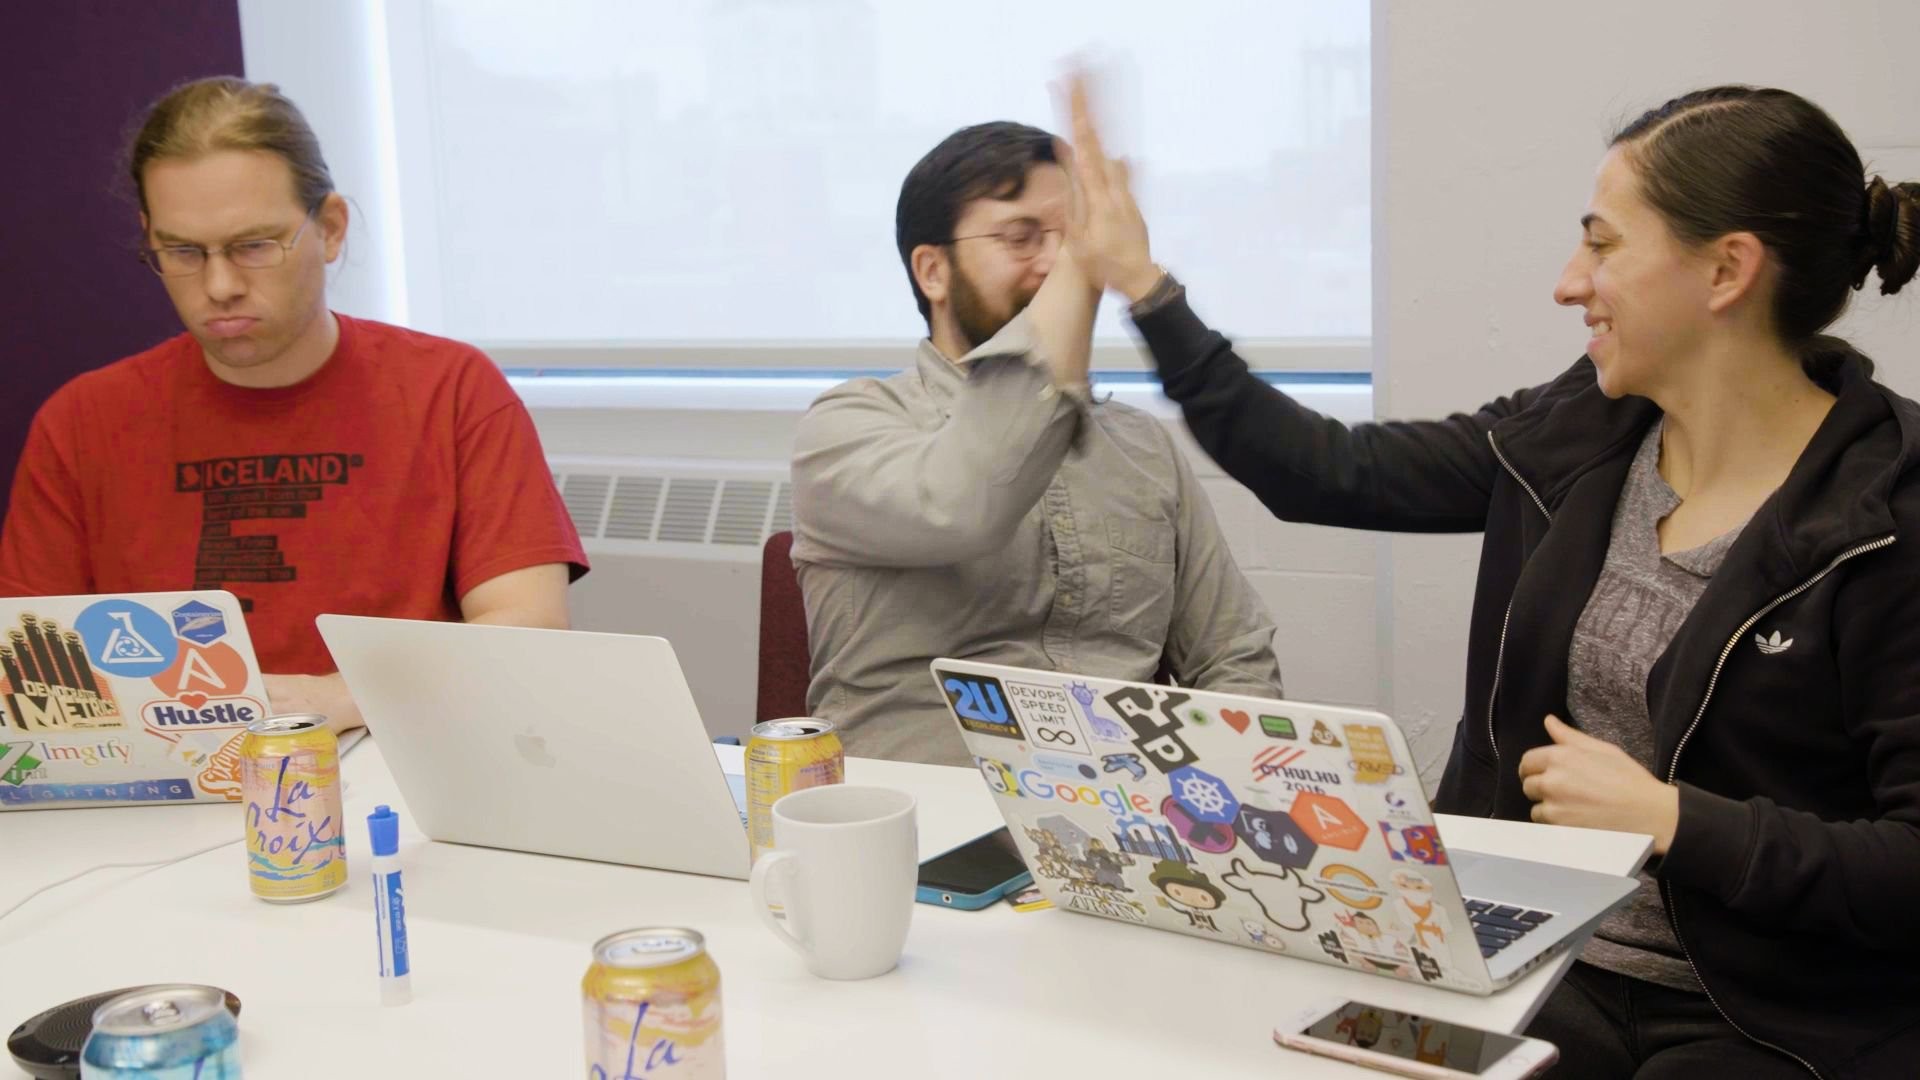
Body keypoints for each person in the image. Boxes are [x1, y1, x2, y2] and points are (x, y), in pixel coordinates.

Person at [1065, 80, 1920, 1077]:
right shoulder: (1575, 434)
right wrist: (1146, 287)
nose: (1569, 282)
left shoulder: (1887, 514)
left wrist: (1680, 823)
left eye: (1603, 244)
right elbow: (1319, 468)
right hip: (1535, 964)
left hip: (1770, 1016)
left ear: (1727, 269)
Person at [0, 78, 587, 734]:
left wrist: (344, 696)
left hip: (401, 759)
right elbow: (34, 673)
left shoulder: (450, 390)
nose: (219, 286)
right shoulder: (83, 422)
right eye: (183, 252)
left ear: (330, 228)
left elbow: (528, 630)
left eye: (254, 246)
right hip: (165, 787)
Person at [789, 112, 1281, 767]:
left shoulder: (1143, 447)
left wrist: (1232, 794)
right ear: (933, 271)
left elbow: (1232, 654)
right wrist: (1081, 264)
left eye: (1071, 238)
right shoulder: (846, 427)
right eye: (1022, 237)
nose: (1056, 262)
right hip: (924, 821)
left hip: (1126, 821)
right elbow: (965, 506)